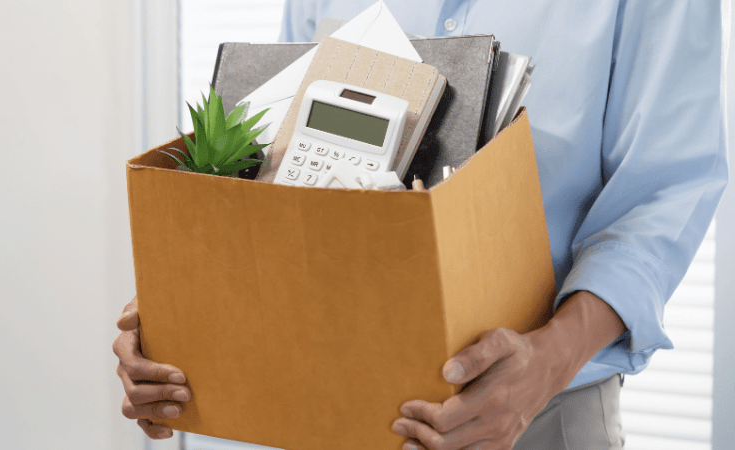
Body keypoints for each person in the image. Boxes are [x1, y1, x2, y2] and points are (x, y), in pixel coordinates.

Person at [113, 1, 729, 448]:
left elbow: (666, 190)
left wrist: (547, 363)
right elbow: (281, 174)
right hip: (328, 408)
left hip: (540, 419)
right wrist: (179, 317)